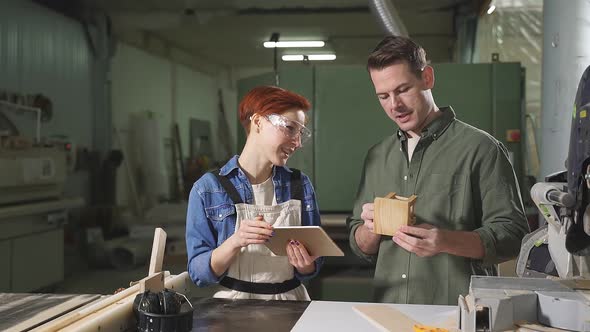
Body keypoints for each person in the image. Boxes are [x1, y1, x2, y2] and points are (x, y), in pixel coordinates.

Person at [347, 36, 529, 305]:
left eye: (403, 89)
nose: (394, 105)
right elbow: (358, 244)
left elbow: (513, 236)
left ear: (427, 78)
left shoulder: (481, 148)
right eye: (383, 96)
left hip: (455, 311)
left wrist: (446, 241)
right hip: (390, 310)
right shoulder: (377, 156)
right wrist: (370, 229)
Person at [186, 85, 323, 301]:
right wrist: (235, 241)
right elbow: (198, 274)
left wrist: (306, 265)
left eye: (300, 133)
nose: (297, 143)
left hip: (291, 303)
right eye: (289, 128)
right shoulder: (208, 189)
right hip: (231, 307)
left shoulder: (300, 184)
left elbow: (312, 267)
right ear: (258, 122)